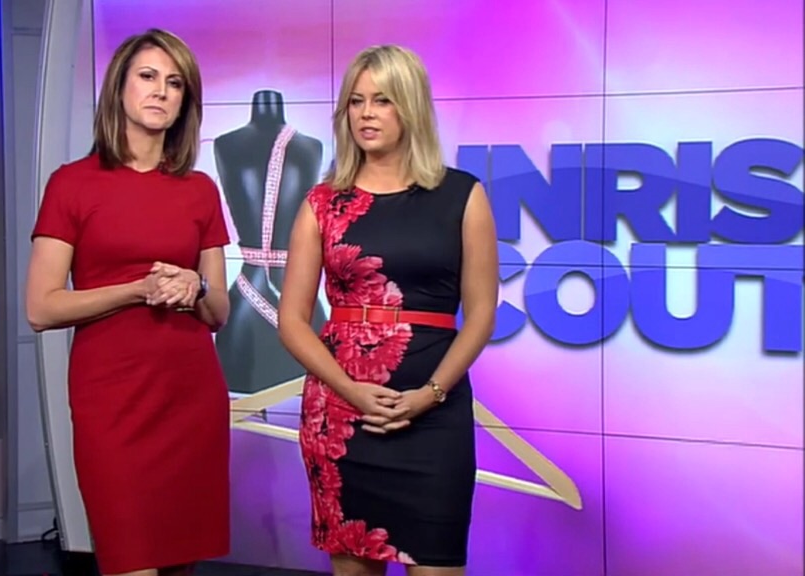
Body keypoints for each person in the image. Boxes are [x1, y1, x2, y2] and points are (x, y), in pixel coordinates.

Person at [277, 44, 499, 575]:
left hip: (435, 416)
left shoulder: (462, 195)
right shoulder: (322, 203)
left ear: (411, 107)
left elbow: (482, 314)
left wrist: (431, 393)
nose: (366, 114)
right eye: (356, 101)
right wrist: (351, 391)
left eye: (382, 100)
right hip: (342, 413)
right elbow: (292, 321)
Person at [25, 28, 231, 576]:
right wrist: (137, 289)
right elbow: (41, 308)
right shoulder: (72, 184)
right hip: (112, 400)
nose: (161, 91)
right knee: (129, 557)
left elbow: (219, 312)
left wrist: (195, 285)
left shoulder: (200, 190)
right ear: (119, 86)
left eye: (175, 83)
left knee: (180, 562)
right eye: (147, 76)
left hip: (189, 396)